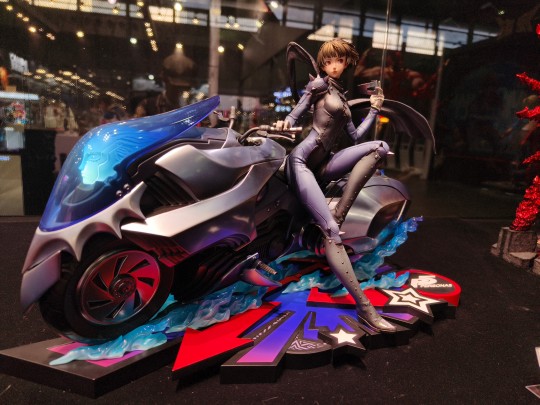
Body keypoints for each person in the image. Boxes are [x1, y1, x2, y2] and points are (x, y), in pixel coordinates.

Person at [276, 39, 396, 333]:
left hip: (326, 162)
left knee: (379, 147)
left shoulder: (340, 97)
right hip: (303, 161)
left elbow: (355, 137)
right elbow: (298, 110)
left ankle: (338, 215)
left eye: (339, 61)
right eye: (329, 61)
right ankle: (365, 308)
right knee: (330, 232)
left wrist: (373, 110)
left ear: (346, 63)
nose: (334, 66)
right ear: (322, 63)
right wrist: (286, 122)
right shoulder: (318, 85)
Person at [134, 51, 195, 117]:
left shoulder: (192, 107)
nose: (180, 91)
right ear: (164, 79)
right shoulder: (146, 106)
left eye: (184, 87)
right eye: (175, 87)